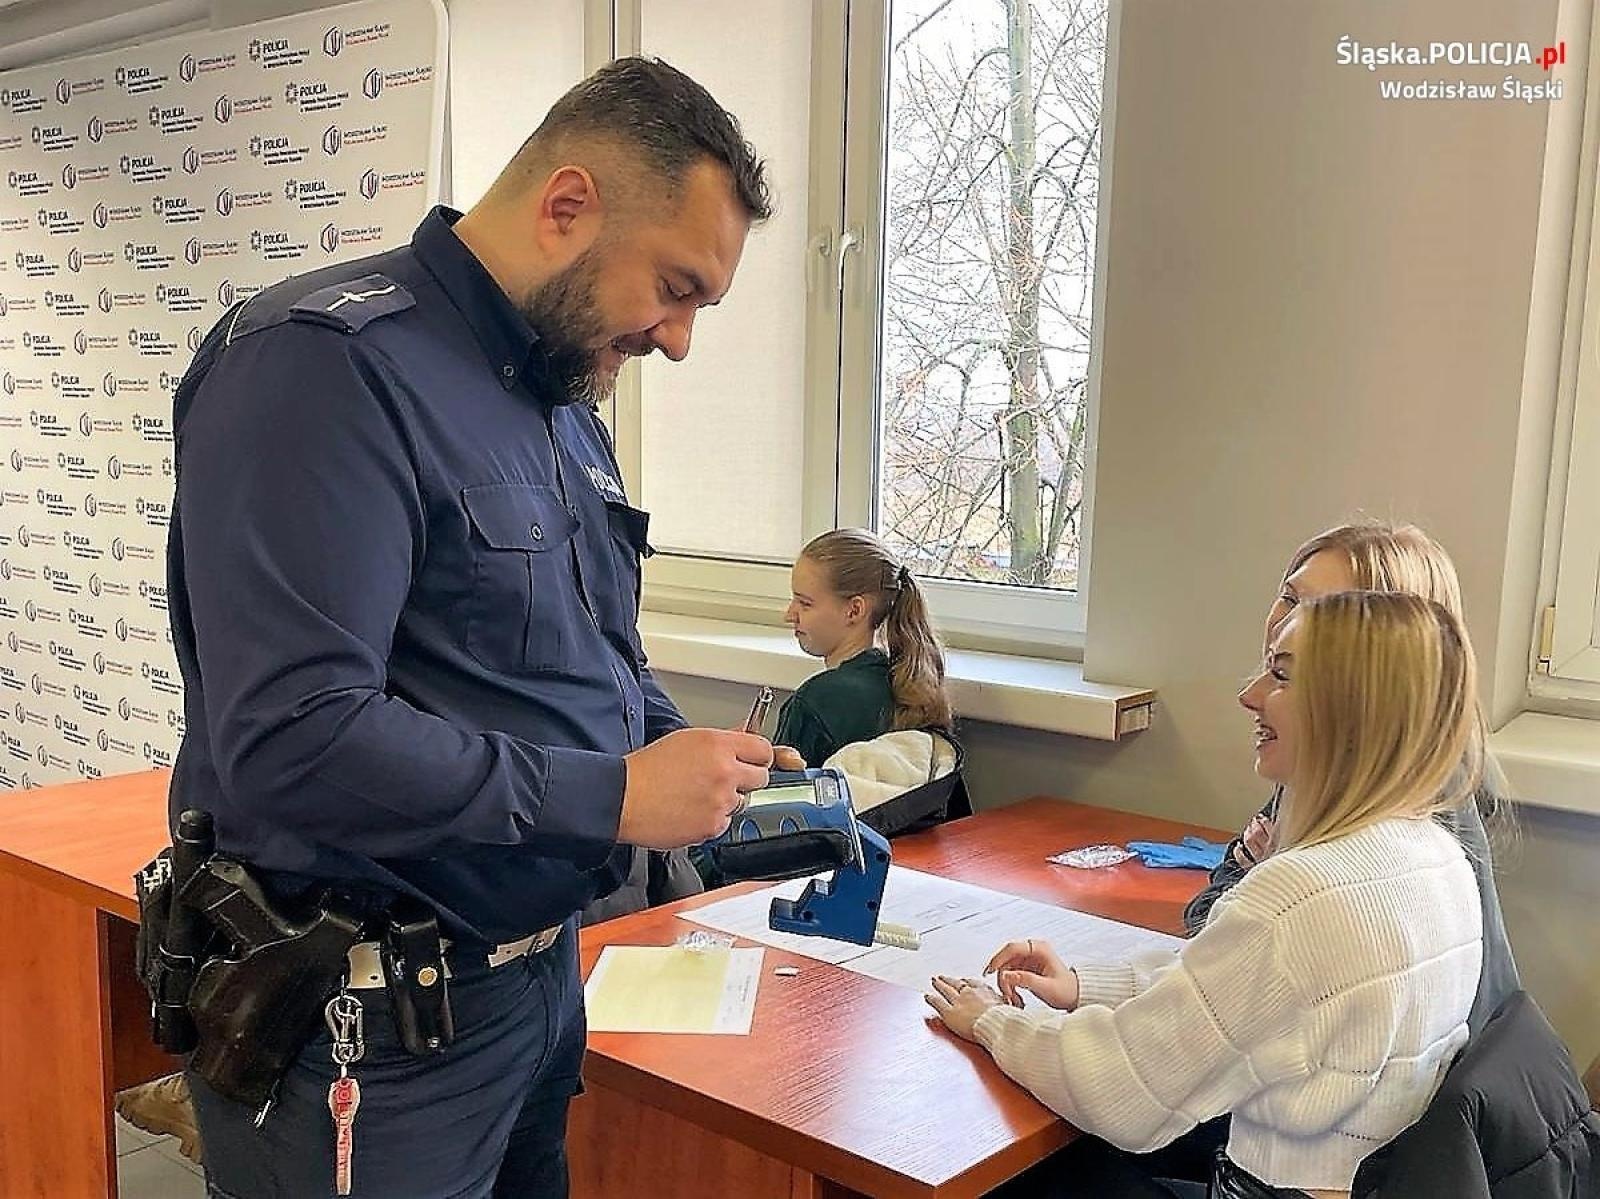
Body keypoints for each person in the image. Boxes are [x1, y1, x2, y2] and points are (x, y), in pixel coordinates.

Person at [164, 58, 778, 1198]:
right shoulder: (324, 366)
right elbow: (293, 735)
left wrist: (687, 760)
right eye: (676, 287)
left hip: (535, 983)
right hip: (367, 1016)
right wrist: (613, 796)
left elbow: (593, 651)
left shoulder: (558, 399)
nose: (679, 339)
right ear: (566, 207)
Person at [926, 592, 1487, 1198]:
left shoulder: (1301, 896)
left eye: (1281, 675)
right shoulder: (1437, 857)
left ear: (1350, 710)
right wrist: (1089, 987)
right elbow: (1233, 983)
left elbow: (1120, 1095)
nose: (1250, 696)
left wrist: (995, 1024)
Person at [1184, 521, 1518, 1036]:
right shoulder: (1324, 748)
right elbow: (1208, 917)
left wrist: (1268, 884)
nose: (1287, 625)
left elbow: (1235, 960)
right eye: (1289, 598)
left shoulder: (1417, 795)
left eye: (1324, 613)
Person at [774, 528, 953, 767]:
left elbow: (779, 800)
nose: (789, 615)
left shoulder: (815, 702)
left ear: (854, 610)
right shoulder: (907, 685)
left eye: (805, 604)